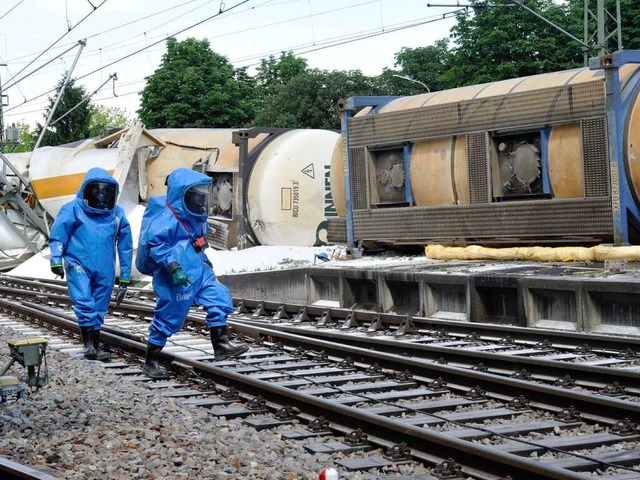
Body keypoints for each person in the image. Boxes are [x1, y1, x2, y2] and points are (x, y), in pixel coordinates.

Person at [136, 168, 249, 379]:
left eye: (203, 196)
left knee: (218, 296)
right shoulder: (167, 218)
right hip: (175, 276)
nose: (200, 201)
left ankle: (221, 344)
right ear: (182, 194)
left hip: (198, 270)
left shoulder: (196, 217)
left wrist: (204, 259)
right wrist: (174, 268)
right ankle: (151, 361)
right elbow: (157, 245)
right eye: (196, 196)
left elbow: (197, 243)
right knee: (169, 316)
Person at [49, 167, 133, 361]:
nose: (102, 196)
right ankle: (89, 346)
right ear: (87, 190)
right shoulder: (73, 209)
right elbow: (59, 234)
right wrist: (56, 259)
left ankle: (94, 345)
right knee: (84, 301)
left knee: (100, 305)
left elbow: (126, 246)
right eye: (97, 191)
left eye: (106, 191)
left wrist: (126, 277)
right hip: (78, 262)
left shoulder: (116, 214)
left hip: (105, 269)